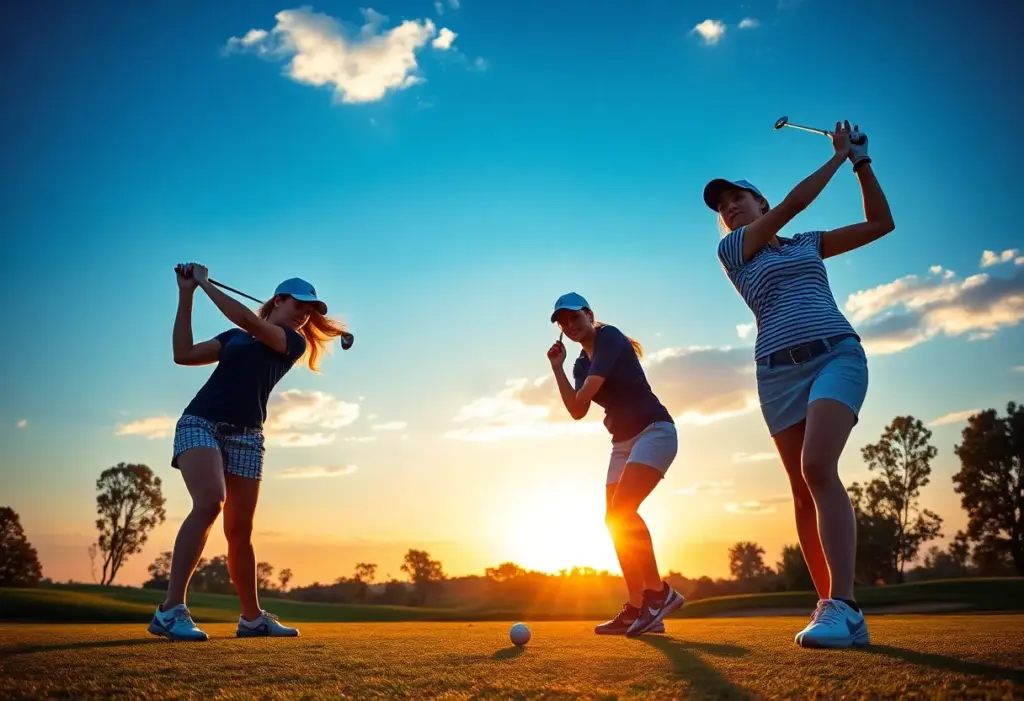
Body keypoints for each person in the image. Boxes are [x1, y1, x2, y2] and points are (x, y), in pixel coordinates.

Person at [703, 121, 894, 648]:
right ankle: (831, 606)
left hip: (836, 355)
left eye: (738, 198)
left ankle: (845, 605)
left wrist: (859, 161)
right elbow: (794, 205)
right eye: (722, 207)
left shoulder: (807, 244)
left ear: (758, 201)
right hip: (776, 374)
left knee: (817, 467)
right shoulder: (734, 250)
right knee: (803, 491)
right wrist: (837, 155)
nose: (730, 208)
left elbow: (881, 223)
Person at [148, 262, 349, 642]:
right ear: (279, 300)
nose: (304, 315)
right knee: (210, 502)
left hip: (248, 437)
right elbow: (183, 353)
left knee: (240, 531)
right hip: (200, 422)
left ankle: (252, 619)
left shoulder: (292, 342)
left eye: (310, 311)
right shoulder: (234, 338)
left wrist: (204, 283)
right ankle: (170, 610)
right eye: (299, 305)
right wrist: (187, 293)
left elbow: (248, 320)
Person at [546, 292, 685, 637]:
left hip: (654, 431)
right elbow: (577, 411)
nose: (569, 325)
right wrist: (557, 368)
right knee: (613, 520)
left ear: (589, 315)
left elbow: (584, 396)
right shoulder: (579, 365)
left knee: (623, 510)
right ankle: (638, 608)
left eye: (575, 317)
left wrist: (576, 387)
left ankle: (659, 594)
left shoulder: (609, 336)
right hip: (622, 444)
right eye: (562, 321)